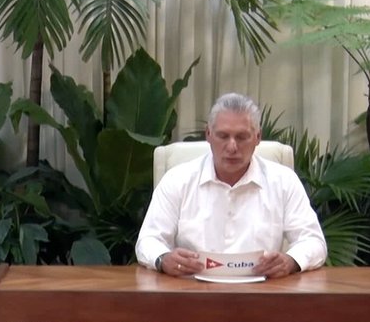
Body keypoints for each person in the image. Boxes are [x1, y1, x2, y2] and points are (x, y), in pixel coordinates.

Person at [135, 93, 326, 279]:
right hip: (192, 293)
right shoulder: (177, 179)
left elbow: (313, 241)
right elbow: (148, 240)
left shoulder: (283, 181)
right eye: (223, 136)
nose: (232, 147)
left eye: (242, 137)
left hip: (263, 295)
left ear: (258, 137)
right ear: (208, 135)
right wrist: (163, 259)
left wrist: (291, 261)